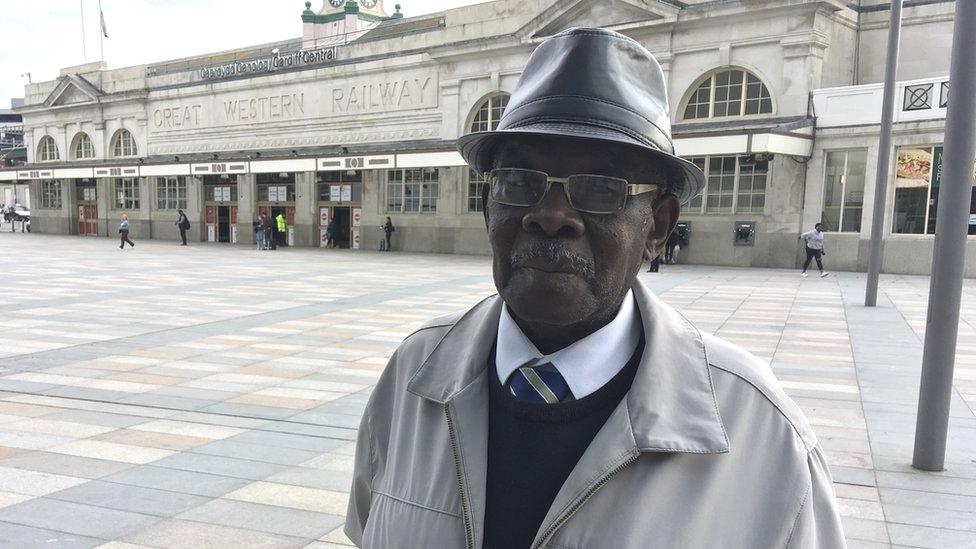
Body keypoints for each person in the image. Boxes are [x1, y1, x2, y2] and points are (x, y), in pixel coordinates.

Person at [345, 28, 845, 549]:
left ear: (657, 227)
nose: (551, 215)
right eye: (519, 181)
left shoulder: (761, 432)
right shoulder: (414, 372)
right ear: (489, 205)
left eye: (601, 188)